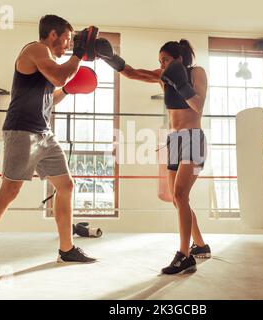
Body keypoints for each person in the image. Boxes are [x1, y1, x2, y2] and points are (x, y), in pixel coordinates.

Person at [0, 15, 97, 281]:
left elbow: (50, 96)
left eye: (72, 43)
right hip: (22, 131)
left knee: (66, 185)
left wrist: (69, 91)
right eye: (67, 40)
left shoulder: (48, 63)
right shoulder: (35, 49)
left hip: (43, 133)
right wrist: (79, 54)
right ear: (53, 35)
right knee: (8, 192)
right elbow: (59, 77)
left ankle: (66, 248)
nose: (68, 46)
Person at [95, 38, 211, 274]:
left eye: (165, 60)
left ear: (179, 59)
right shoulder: (164, 77)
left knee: (180, 194)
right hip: (174, 140)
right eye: (159, 61)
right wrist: (109, 57)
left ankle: (184, 256)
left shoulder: (196, 72)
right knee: (178, 199)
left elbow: (198, 105)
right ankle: (200, 245)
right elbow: (132, 72)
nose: (161, 65)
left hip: (193, 139)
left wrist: (180, 83)